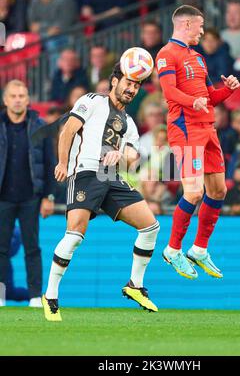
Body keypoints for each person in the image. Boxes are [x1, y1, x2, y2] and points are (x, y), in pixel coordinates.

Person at [42, 63, 160, 321]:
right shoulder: (92, 100)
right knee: (74, 236)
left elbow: (131, 156)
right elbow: (68, 130)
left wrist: (121, 154)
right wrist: (63, 163)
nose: (132, 89)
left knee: (151, 227)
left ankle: (135, 285)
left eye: (136, 85)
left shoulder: (129, 122)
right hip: (85, 172)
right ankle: (50, 295)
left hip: (111, 176)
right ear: (114, 82)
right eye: (128, 83)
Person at [155, 5, 240, 280]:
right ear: (187, 24)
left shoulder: (199, 59)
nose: (203, 31)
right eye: (200, 26)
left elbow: (209, 97)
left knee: (217, 191)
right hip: (185, 128)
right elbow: (169, 91)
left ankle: (199, 249)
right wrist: (193, 101)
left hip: (208, 128)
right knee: (193, 193)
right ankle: (172, 249)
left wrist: (227, 89)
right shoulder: (166, 54)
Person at [0, 80, 56, 308]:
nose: (17, 99)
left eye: (21, 95)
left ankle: (35, 296)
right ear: (5, 100)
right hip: (3, 196)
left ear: (28, 99)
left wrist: (48, 197)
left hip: (31, 197)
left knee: (32, 248)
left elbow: (50, 163)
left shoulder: (40, 126)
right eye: (13, 96)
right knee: (0, 248)